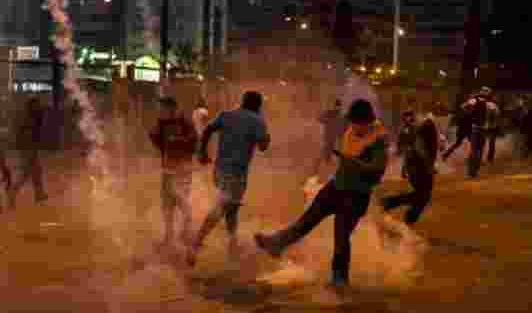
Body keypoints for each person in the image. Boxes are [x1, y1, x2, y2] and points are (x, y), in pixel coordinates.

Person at [255, 99, 388, 289]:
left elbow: (378, 169)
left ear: (368, 121)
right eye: (352, 123)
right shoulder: (352, 130)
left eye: (357, 123)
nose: (353, 127)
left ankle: (340, 279)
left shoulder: (378, 140)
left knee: (341, 236)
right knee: (307, 220)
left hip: (356, 196)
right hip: (336, 186)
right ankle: (276, 244)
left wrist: (355, 164)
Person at [187, 91, 271, 266]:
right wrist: (266, 137)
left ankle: (232, 244)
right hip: (237, 174)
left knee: (231, 208)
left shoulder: (226, 115)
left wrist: (202, 151)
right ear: (258, 106)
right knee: (222, 207)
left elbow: (208, 129)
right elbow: (263, 146)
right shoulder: (257, 121)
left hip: (219, 171)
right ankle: (196, 242)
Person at [150, 97, 198, 251]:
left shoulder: (184, 121)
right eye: (161, 109)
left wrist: (177, 140)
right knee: (167, 204)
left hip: (183, 169)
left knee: (182, 201)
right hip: (168, 169)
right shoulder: (162, 123)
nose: (162, 111)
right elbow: (159, 143)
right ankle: (169, 235)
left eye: (164, 108)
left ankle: (186, 232)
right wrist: (154, 134)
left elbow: (194, 140)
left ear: (172, 108)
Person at [381, 110, 437, 229]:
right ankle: (393, 206)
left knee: (422, 196)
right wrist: (429, 166)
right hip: (419, 168)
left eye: (410, 116)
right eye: (407, 117)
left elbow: (408, 149)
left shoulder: (418, 127)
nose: (409, 119)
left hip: (416, 167)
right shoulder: (422, 127)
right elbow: (416, 147)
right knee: (423, 196)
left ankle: (399, 210)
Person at [9, 97, 48, 207]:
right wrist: (31, 149)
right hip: (28, 149)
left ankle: (39, 194)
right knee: (26, 173)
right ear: (32, 106)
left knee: (36, 172)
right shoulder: (29, 119)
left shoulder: (32, 117)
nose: (39, 107)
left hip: (29, 148)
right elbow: (27, 135)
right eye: (37, 105)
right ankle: (12, 192)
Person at [314, 99, 345, 177]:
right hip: (328, 134)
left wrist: (341, 134)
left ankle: (327, 163)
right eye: (337, 106)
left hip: (334, 135)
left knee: (331, 148)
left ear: (340, 107)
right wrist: (325, 119)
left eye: (339, 106)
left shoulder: (341, 115)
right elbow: (320, 119)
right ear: (335, 106)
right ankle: (322, 164)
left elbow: (342, 125)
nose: (337, 108)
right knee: (327, 148)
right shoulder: (329, 113)